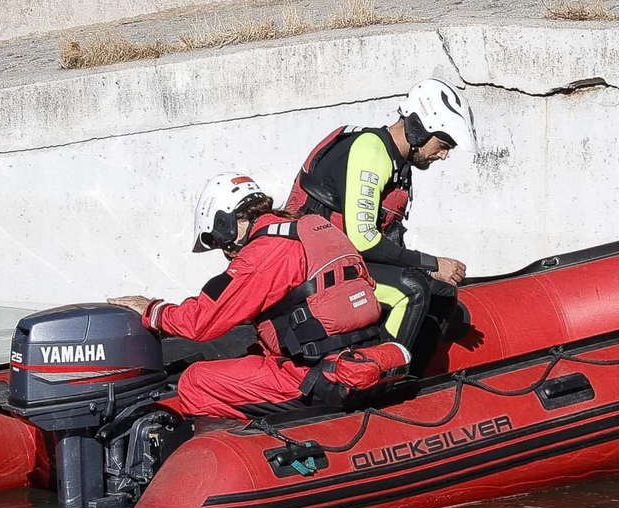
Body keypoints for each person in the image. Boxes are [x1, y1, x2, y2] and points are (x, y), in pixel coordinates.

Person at [109, 175, 408, 420]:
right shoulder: (317, 228)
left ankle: (252, 451)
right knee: (252, 353)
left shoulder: (263, 252)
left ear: (227, 223)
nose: (225, 252)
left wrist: (152, 310)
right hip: (359, 359)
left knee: (194, 381)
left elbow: (202, 321)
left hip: (313, 377)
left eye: (217, 240)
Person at [285, 78, 477, 369]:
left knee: (442, 292)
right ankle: (377, 375)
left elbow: (386, 239)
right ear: (418, 128)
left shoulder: (399, 165)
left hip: (345, 261)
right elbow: (363, 239)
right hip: (314, 269)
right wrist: (431, 263)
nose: (444, 154)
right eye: (442, 144)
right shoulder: (370, 150)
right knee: (411, 289)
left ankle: (416, 376)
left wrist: (428, 269)